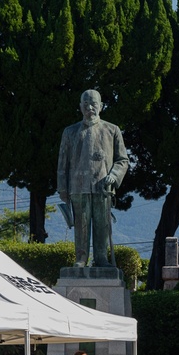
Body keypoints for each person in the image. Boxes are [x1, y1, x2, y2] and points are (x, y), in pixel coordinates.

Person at [57, 89, 129, 267]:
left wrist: (113, 175)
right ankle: (81, 258)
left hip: (103, 186)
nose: (90, 108)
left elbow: (123, 160)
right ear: (80, 107)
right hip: (78, 186)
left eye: (94, 104)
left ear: (101, 106)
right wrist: (63, 188)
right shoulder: (70, 132)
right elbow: (62, 163)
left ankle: (101, 257)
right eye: (86, 104)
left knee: (102, 225)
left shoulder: (112, 130)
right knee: (81, 226)